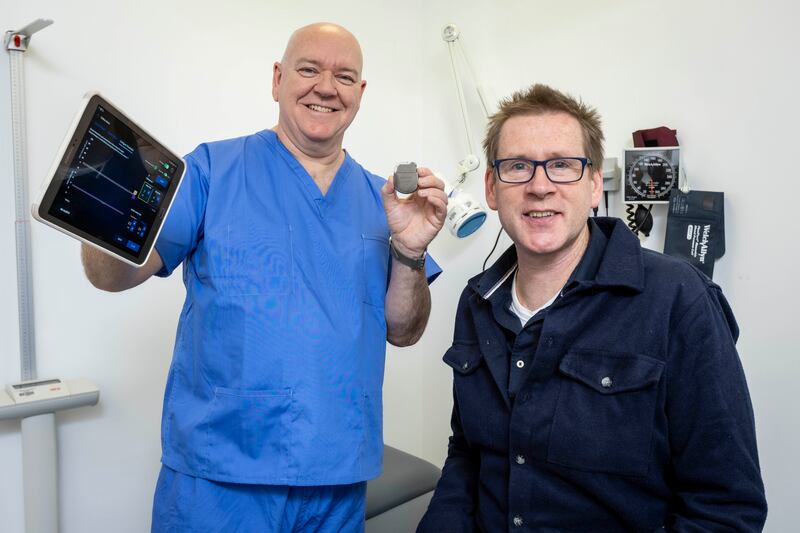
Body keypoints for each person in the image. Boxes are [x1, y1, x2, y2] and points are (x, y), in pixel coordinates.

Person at [81, 22, 447, 532]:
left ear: (360, 94)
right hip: (218, 478)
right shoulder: (209, 171)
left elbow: (405, 331)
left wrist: (409, 251)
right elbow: (113, 276)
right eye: (308, 69)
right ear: (277, 79)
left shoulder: (380, 200)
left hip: (336, 477)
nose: (325, 86)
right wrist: (103, 212)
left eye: (344, 76)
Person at [418, 84, 767, 531]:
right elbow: (469, 454)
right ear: (491, 186)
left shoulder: (677, 298)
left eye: (562, 165)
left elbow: (725, 509)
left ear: (593, 184)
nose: (539, 186)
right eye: (518, 166)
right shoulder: (477, 301)